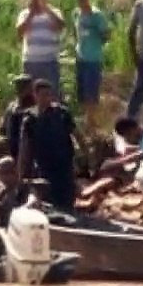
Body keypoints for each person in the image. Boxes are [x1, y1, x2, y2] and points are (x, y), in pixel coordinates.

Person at [17, 79, 82, 211]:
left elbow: (77, 134)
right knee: (49, 199)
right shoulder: (30, 119)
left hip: (64, 164)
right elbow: (24, 148)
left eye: (48, 94)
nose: (46, 98)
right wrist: (22, 173)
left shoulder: (62, 113)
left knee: (67, 197)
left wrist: (84, 156)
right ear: (35, 95)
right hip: (44, 167)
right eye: (43, 95)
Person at [16, 0, 65, 95]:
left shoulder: (54, 12)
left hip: (50, 62)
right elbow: (20, 33)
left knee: (52, 94)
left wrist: (46, 8)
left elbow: (60, 26)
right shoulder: (24, 14)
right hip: (30, 62)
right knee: (30, 96)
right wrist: (31, 14)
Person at [73, 0, 111, 126]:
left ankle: (91, 120)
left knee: (91, 90)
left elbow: (106, 34)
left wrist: (96, 35)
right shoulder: (76, 14)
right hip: (80, 57)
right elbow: (75, 32)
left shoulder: (97, 15)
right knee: (82, 91)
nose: (80, 1)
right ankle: (87, 119)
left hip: (93, 58)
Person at [0, 74, 34, 161]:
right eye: (18, 86)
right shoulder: (12, 107)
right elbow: (4, 129)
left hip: (30, 152)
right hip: (13, 151)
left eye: (23, 86)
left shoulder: (35, 107)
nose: (19, 89)